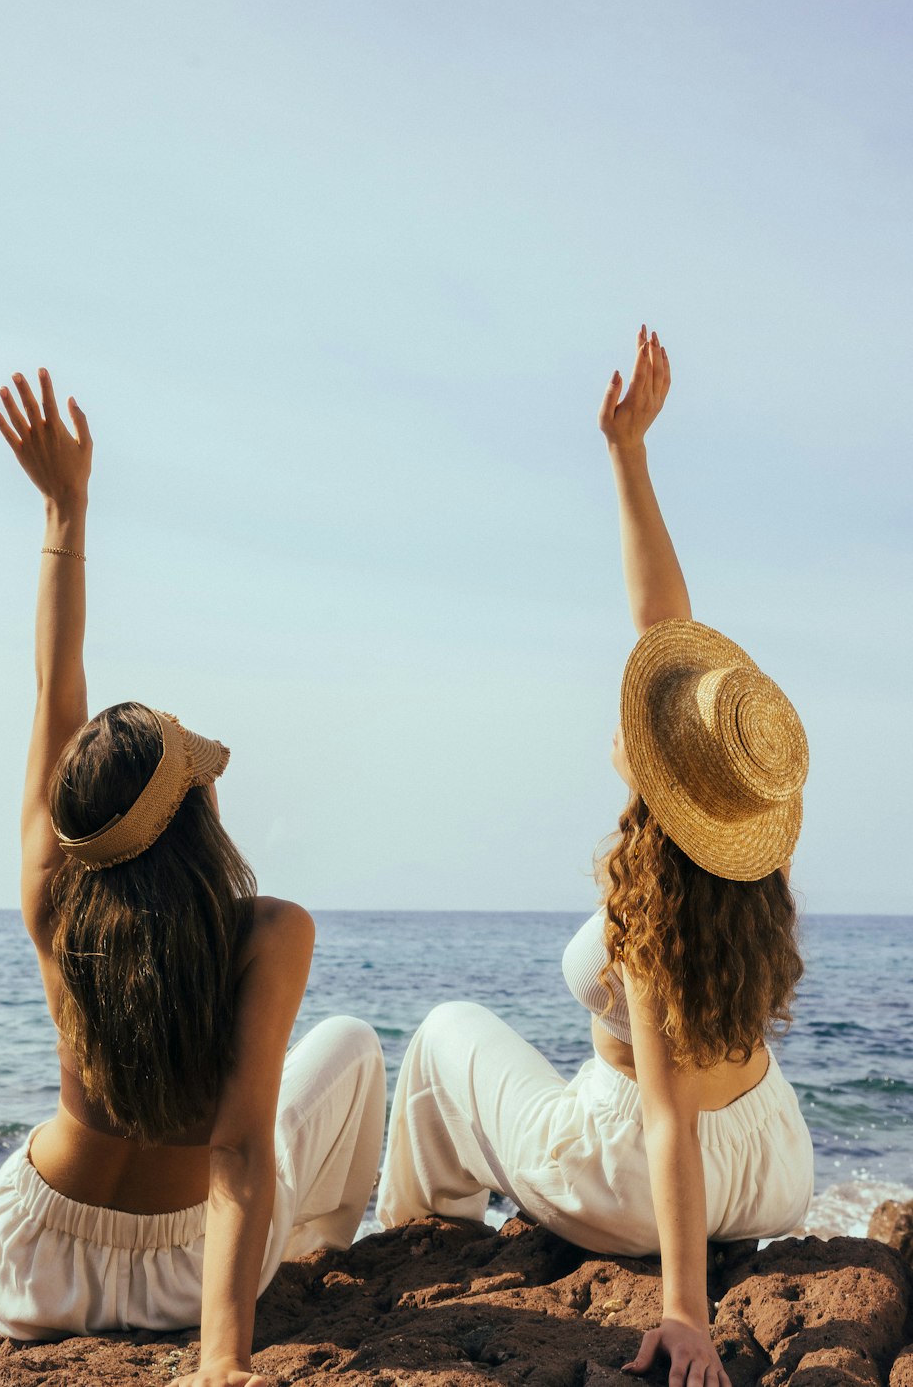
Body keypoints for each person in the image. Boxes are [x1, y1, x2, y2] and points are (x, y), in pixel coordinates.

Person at [376, 327, 813, 1387]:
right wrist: (629, 455)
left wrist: (684, 1317)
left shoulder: (652, 899)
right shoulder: (742, 845)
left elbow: (664, 1123)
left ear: (661, 771)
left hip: (643, 1182)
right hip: (772, 1161)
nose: (633, 703)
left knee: (441, 1037)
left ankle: (418, 1240)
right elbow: (662, 619)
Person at [0, 371, 386, 1387]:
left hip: (30, 1271)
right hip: (182, 1280)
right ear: (194, 810)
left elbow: (52, 685)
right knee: (350, 1052)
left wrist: (62, 512)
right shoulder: (267, 933)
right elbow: (240, 1150)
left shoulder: (50, 889)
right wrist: (219, 1361)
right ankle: (331, 1250)